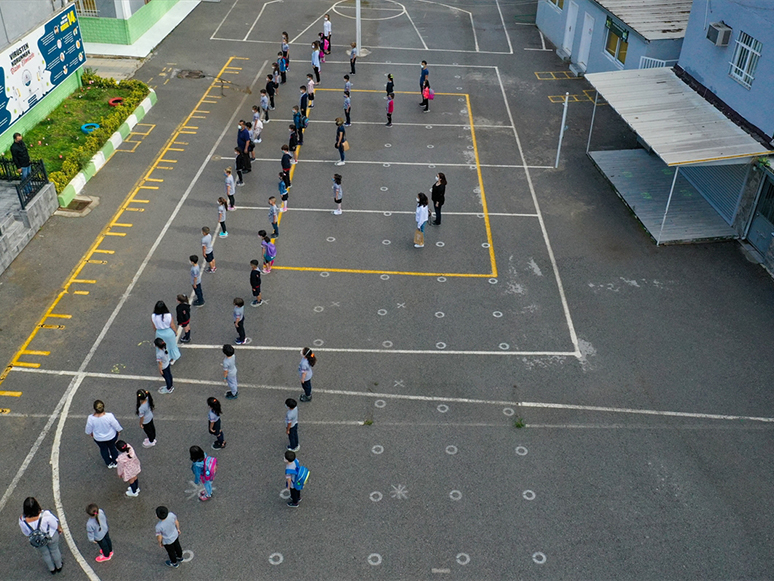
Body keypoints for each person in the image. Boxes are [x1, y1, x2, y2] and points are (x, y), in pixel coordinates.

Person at [19, 497, 63, 574]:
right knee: (54, 550)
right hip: (51, 536)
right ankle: (59, 566)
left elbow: (25, 532)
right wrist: (59, 529)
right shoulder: (45, 514)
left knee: (45, 553)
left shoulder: (22, 520)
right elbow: (54, 525)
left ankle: (52, 568)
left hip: (38, 539)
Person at [85, 399, 122, 468]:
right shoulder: (109, 416)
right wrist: (119, 430)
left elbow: (88, 429)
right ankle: (115, 461)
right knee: (113, 448)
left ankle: (108, 463)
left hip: (99, 438)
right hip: (111, 436)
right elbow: (115, 424)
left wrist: (90, 433)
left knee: (103, 449)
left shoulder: (91, 418)